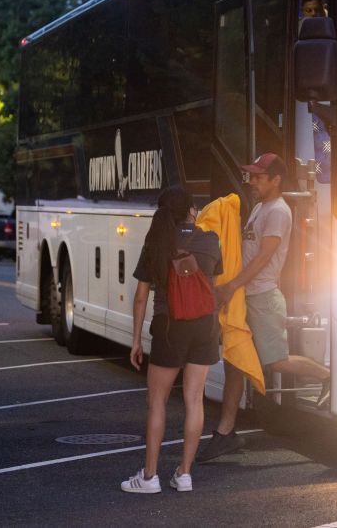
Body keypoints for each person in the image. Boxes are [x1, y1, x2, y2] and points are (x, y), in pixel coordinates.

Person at [197, 154, 331, 462]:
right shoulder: (259, 208)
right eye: (252, 176)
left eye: (259, 177)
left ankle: (326, 376)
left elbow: (263, 259)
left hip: (263, 297)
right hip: (248, 294)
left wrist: (231, 286)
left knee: (276, 363)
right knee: (235, 361)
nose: (252, 182)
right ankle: (225, 433)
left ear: (276, 180)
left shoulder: (279, 212)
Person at [120, 187, 221, 494]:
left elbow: (140, 298)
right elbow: (213, 285)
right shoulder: (210, 240)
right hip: (205, 326)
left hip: (169, 326)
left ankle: (150, 477)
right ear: (192, 210)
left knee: (157, 402)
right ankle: (185, 474)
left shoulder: (157, 243)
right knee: (194, 399)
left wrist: (136, 340)